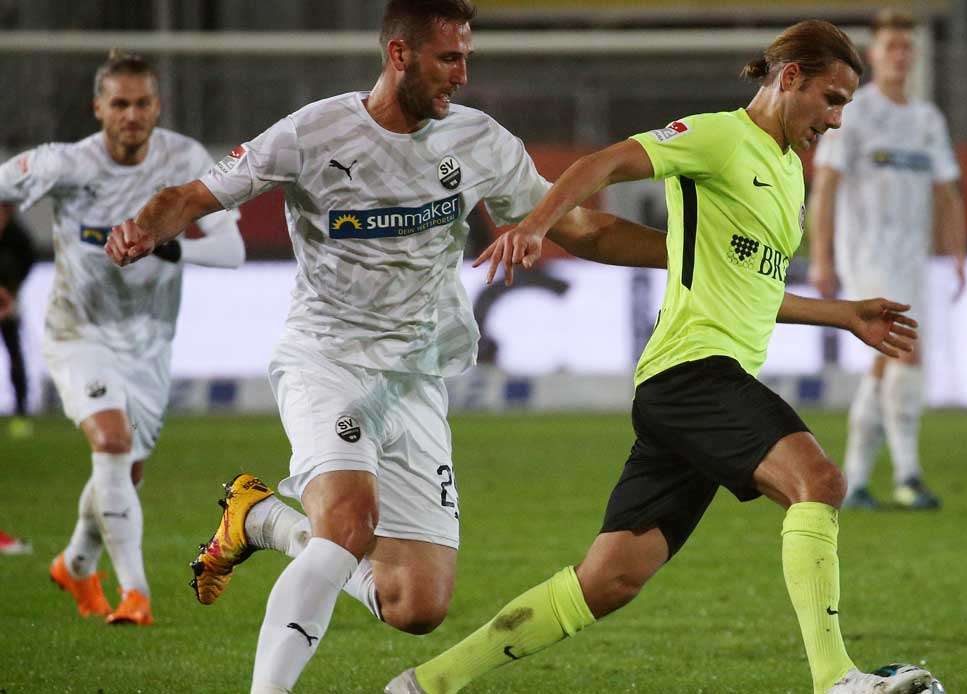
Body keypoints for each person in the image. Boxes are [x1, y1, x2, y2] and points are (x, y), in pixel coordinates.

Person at [104, 2, 669, 691]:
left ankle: (261, 520)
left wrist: (685, 255)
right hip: (327, 357)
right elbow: (193, 195)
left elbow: (582, 231)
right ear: (399, 55)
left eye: (467, 58)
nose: (462, 75)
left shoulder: (479, 141)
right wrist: (142, 225)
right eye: (448, 59)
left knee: (417, 604)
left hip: (413, 378)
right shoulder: (314, 131)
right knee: (348, 522)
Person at [386, 19, 932, 694]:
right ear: (789, 79)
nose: (838, 119)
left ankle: (423, 686)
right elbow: (605, 163)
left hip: (693, 391)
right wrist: (535, 225)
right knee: (818, 481)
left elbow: (754, 292)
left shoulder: (789, 174)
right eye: (833, 99)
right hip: (692, 376)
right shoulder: (719, 136)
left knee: (609, 579)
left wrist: (842, 315)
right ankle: (835, 680)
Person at [0, 49, 245, 624]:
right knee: (111, 444)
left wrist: (166, 242)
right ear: (98, 108)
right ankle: (136, 595)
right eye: (119, 103)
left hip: (150, 342)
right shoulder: (65, 164)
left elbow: (231, 251)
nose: (131, 114)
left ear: (157, 107)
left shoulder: (184, 158)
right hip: (77, 330)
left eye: (142, 103)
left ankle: (75, 565)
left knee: (124, 473)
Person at [807, 9, 967, 510]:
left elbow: (946, 193)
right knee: (902, 352)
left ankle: (855, 480)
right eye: (891, 46)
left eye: (906, 47)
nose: (900, 55)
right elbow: (826, 186)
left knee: (885, 363)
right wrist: (822, 258)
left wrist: (958, 254)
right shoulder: (854, 113)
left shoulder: (926, 120)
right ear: (874, 55)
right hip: (867, 257)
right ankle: (907, 473)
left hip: (911, 260)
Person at [0, 203, 36, 439]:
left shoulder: (17, 235)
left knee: (14, 354)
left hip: (8, 302)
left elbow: (27, 261)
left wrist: (10, 290)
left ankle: (21, 412)